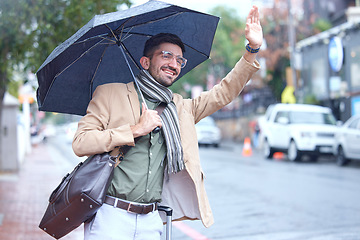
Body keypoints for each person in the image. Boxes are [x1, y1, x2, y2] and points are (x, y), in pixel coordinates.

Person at [72, 5, 263, 240]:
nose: (174, 64)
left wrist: (251, 50)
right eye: (166, 56)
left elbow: (223, 92)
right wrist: (134, 130)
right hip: (111, 215)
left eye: (179, 60)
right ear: (144, 62)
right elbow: (80, 143)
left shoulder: (181, 106)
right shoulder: (110, 94)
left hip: (152, 219)